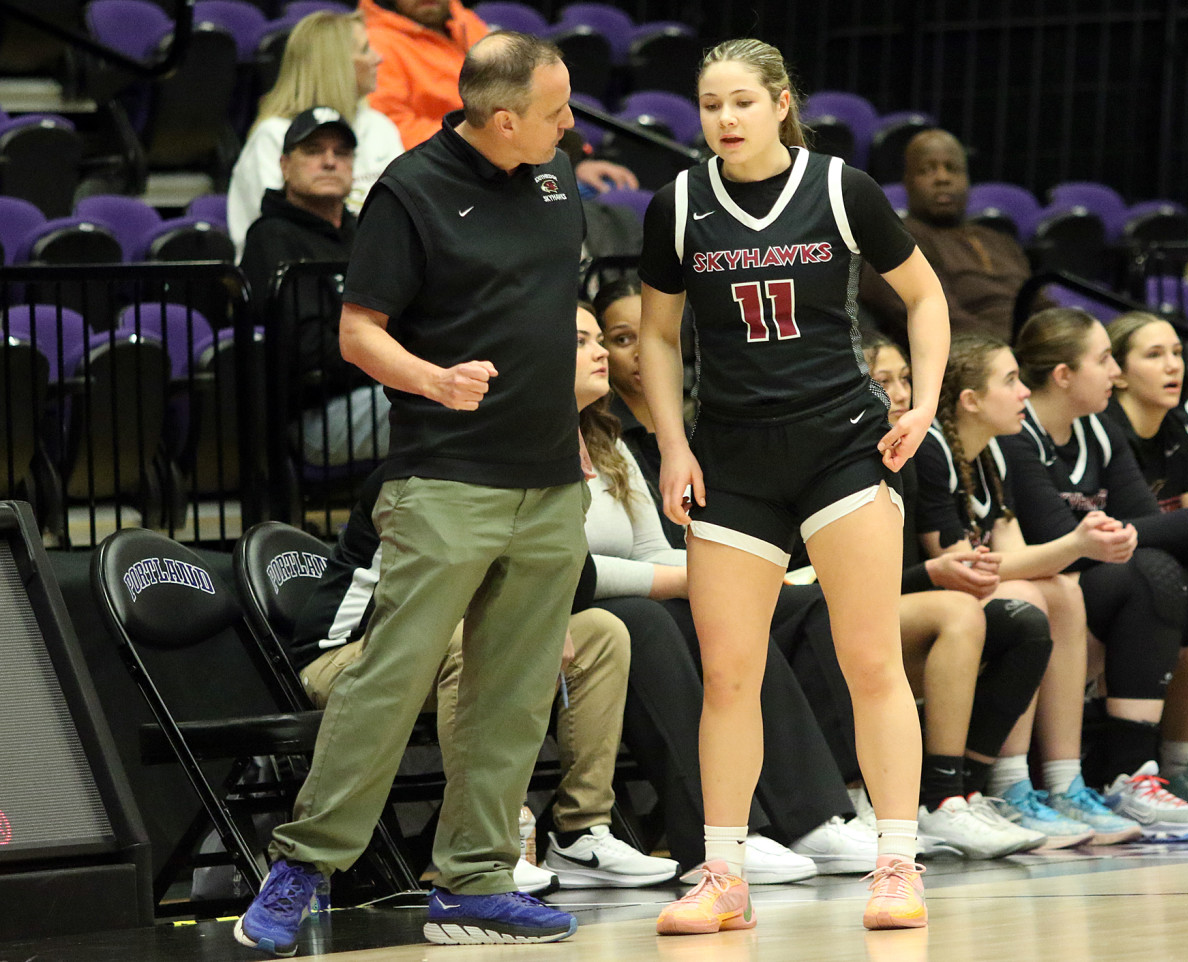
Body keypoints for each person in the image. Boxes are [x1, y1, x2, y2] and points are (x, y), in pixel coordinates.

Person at [234, 32, 590, 953]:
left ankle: (472, 880)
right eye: (556, 111)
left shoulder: (557, 178)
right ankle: (302, 864)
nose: (571, 123)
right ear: (503, 117)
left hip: (550, 481)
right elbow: (359, 336)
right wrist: (432, 380)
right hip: (446, 479)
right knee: (390, 679)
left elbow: (548, 319)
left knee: (512, 694)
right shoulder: (411, 191)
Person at [637, 39, 950, 934]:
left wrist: (923, 402)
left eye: (741, 102)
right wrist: (671, 443)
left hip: (841, 449)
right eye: (708, 105)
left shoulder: (843, 188)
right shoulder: (679, 205)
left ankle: (896, 862)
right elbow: (659, 338)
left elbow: (925, 299)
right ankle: (724, 875)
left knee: (870, 660)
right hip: (730, 458)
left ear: (780, 104)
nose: (724, 120)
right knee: (729, 673)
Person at [286, 312, 680, 894]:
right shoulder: (430, 468)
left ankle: (581, 832)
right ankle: (498, 835)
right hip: (353, 653)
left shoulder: (568, 459)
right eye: (578, 342)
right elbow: (423, 604)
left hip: (439, 639)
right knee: (465, 640)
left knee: (603, 632)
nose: (598, 353)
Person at [577, 301, 878, 882]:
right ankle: (718, 839)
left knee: (737, 614)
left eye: (597, 339)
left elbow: (647, 550)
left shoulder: (605, 441)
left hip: (643, 591)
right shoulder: (525, 444)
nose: (597, 353)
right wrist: (701, 580)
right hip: (564, 606)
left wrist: (720, 578)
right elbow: (569, 570)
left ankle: (820, 813)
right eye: (584, 341)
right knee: (652, 621)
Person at [916, 332, 1144, 847]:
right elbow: (960, 563)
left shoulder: (990, 455)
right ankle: (1004, 783)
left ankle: (1062, 782)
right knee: (1034, 598)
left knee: (1059, 589)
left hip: (960, 592)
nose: (1024, 393)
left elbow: (1012, 553)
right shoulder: (932, 450)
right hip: (913, 597)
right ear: (971, 401)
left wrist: (1077, 547)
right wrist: (1079, 543)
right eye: (1010, 380)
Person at [999, 307, 1188, 838]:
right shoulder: (1018, 437)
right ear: (1064, 375)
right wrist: (1187, 526)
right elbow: (1054, 543)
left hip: (1091, 580)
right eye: (1105, 359)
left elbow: (1139, 523)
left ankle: (1171, 767)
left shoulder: (1096, 431)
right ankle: (1125, 773)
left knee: (1173, 576)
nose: (1114, 373)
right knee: (1152, 572)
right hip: (1046, 581)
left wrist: (1153, 532)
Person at [863, 334, 1057, 858]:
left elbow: (989, 558)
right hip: (833, 612)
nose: (901, 392)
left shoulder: (925, 449)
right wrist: (930, 571)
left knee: (1025, 619)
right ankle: (940, 797)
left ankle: (975, 787)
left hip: (895, 603)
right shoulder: (909, 450)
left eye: (907, 378)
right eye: (884, 381)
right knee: (961, 610)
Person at [238, 107, 389, 467]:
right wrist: (399, 361)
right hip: (317, 416)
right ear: (285, 165)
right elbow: (308, 353)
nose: (329, 162)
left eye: (341, 153)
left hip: (381, 390)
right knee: (443, 402)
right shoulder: (271, 238)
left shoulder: (366, 234)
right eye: (313, 150)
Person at [360, 0, 637, 195]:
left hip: (511, 158)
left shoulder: (468, 23)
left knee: (612, 195)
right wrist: (488, 140)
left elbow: (528, 101)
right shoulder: (378, 42)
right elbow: (392, 130)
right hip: (453, 171)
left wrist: (572, 161)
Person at [1106, 311, 1188, 803]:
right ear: (1117, 372)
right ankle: (1134, 770)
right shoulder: (1106, 428)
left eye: (1177, 353)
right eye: (1154, 355)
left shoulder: (1178, 425)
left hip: (1163, 567)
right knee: (1174, 585)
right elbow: (1123, 534)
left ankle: (1183, 768)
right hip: (1113, 575)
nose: (1172, 366)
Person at [227, 10, 402, 259]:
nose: (378, 58)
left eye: (341, 152)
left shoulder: (380, 127)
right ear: (336, 65)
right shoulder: (273, 136)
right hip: (296, 272)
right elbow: (271, 238)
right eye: (365, 50)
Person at [858, 128, 1044, 345]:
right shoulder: (894, 241)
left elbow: (1042, 305)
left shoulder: (1000, 241)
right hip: (974, 358)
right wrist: (1014, 350)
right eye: (927, 170)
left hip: (1031, 354)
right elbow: (942, 321)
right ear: (907, 182)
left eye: (952, 168)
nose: (942, 178)